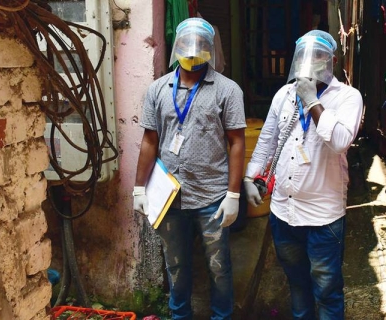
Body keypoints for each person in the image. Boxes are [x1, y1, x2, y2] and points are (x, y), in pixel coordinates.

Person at [243, 30, 363, 319]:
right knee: (297, 287)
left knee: (327, 291)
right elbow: (267, 142)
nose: (311, 62)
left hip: (324, 218)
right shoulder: (283, 95)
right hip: (284, 213)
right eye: (305, 56)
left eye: (319, 55)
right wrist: (251, 177)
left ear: (331, 60)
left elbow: (339, 141)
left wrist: (313, 102)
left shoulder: (348, 97)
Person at [133, 17, 246, 320]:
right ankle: (179, 316)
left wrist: (233, 194)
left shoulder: (228, 90)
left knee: (218, 266)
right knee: (176, 266)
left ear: (210, 48)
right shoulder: (158, 90)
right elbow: (149, 140)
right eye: (186, 43)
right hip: (170, 198)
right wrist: (139, 188)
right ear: (177, 46)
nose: (192, 50)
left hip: (212, 197)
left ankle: (222, 316)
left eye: (199, 45)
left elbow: (236, 142)